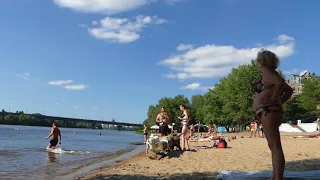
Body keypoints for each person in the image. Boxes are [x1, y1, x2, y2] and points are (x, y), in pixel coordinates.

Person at [253, 49, 293, 180]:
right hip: (271, 111)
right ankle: (275, 176)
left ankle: (278, 178)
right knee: (273, 146)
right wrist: (279, 101)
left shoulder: (268, 72)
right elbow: (288, 90)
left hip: (270, 111)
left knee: (275, 146)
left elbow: (280, 82)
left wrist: (274, 99)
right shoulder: (270, 73)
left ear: (262, 61)